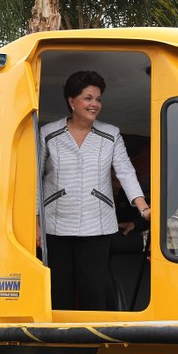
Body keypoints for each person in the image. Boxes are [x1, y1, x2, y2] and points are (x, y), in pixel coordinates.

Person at [37, 70, 150, 310]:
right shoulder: (48, 134)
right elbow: (34, 178)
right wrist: (36, 220)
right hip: (56, 224)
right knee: (59, 291)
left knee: (95, 291)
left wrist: (143, 208)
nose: (95, 104)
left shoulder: (111, 135)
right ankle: (61, 344)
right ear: (71, 101)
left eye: (98, 99)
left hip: (97, 225)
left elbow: (126, 172)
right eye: (88, 98)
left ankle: (95, 344)